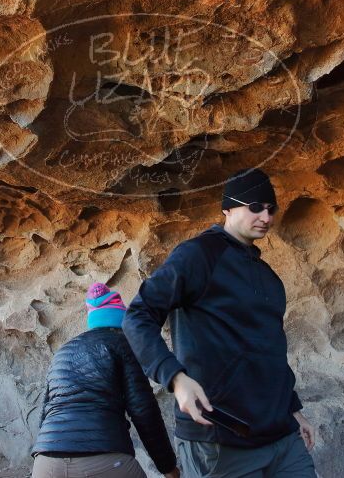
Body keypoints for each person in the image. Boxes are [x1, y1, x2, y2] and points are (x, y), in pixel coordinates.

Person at [123, 168, 316, 478]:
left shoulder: (268, 278)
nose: (265, 217)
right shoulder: (198, 256)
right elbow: (138, 315)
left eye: (271, 208)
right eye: (255, 206)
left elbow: (271, 350)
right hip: (220, 438)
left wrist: (293, 409)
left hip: (282, 437)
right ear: (228, 208)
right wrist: (175, 377)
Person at [32, 283, 179, 478]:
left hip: (46, 463)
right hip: (104, 461)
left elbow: (45, 414)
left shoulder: (63, 352)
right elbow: (143, 410)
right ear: (122, 320)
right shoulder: (123, 345)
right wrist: (167, 467)